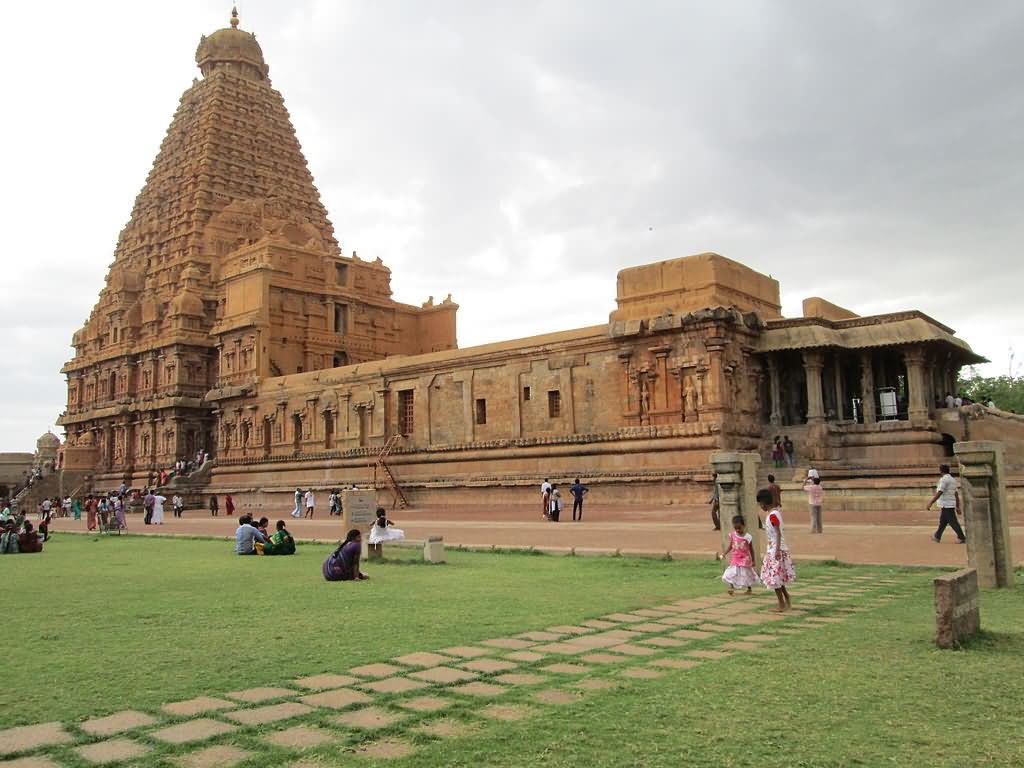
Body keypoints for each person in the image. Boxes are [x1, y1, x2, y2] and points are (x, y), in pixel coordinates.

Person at [757, 488, 796, 611]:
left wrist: (777, 550)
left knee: (774, 579)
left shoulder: (773, 515)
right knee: (778, 578)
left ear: (764, 503)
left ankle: (781, 604)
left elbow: (778, 533)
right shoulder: (773, 514)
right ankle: (786, 599)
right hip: (774, 548)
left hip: (776, 550)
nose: (760, 506)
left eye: (760, 504)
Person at [927, 464, 966, 544]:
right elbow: (956, 494)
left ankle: (961, 537)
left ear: (941, 471)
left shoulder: (944, 480)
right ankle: (937, 536)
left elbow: (940, 491)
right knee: (943, 522)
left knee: (952, 522)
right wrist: (957, 506)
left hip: (946, 504)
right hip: (950, 503)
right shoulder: (953, 480)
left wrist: (931, 502)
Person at [721, 515, 759, 595]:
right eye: (736, 528)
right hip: (735, 558)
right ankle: (731, 587)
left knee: (746, 574)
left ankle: (749, 589)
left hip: (745, 559)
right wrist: (725, 553)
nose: (738, 530)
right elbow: (731, 546)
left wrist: (753, 560)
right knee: (731, 572)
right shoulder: (733, 535)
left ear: (744, 525)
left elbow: (751, 550)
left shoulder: (748, 537)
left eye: (739, 528)